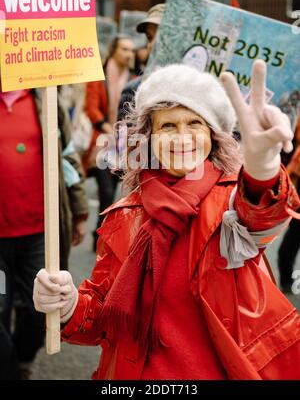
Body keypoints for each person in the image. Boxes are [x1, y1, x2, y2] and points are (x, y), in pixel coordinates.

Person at [33, 60, 300, 380]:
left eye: (194, 124)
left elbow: (262, 214)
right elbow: (103, 319)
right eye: (168, 126)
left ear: (213, 135)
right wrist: (69, 304)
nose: (181, 137)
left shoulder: (231, 204)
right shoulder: (125, 215)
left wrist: (263, 168)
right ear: (149, 137)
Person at [0, 82, 88, 380]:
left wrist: (79, 210)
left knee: (43, 312)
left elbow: (67, 156)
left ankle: (21, 358)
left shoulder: (44, 99)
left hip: (39, 236)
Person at [83, 35, 135, 250]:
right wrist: (107, 128)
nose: (128, 54)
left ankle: (106, 236)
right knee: (105, 192)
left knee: (115, 195)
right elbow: (91, 108)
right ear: (114, 50)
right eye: (124, 49)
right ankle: (99, 237)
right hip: (102, 143)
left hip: (125, 146)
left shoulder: (134, 78)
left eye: (131, 50)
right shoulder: (99, 76)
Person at [118, 3, 165, 121]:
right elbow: (124, 138)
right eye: (149, 37)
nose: (152, 44)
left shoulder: (200, 87)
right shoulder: (133, 91)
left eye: (162, 35)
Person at [278, 115, 300, 293]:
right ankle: (286, 281)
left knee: (294, 236)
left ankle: (286, 280)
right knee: (294, 235)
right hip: (295, 185)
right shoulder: (293, 119)